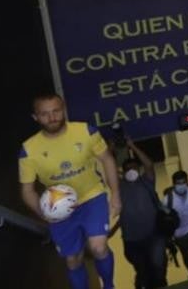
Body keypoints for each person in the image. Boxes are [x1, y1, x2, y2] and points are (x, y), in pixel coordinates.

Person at [19, 93, 120, 289]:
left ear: (63, 108)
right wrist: (45, 213)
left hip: (92, 197)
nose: (52, 117)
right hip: (60, 209)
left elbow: (107, 159)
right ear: (36, 117)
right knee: (73, 259)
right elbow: (27, 191)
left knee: (99, 248)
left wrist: (115, 196)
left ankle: (108, 285)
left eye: (56, 111)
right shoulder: (28, 150)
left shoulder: (86, 131)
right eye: (44, 114)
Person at [118, 137, 166, 289]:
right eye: (128, 169)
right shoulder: (119, 187)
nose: (131, 171)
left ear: (138, 170)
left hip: (154, 235)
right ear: (123, 172)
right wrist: (111, 150)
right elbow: (109, 171)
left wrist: (132, 145)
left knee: (158, 267)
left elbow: (149, 165)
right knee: (142, 270)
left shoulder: (147, 182)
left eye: (134, 168)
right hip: (132, 240)